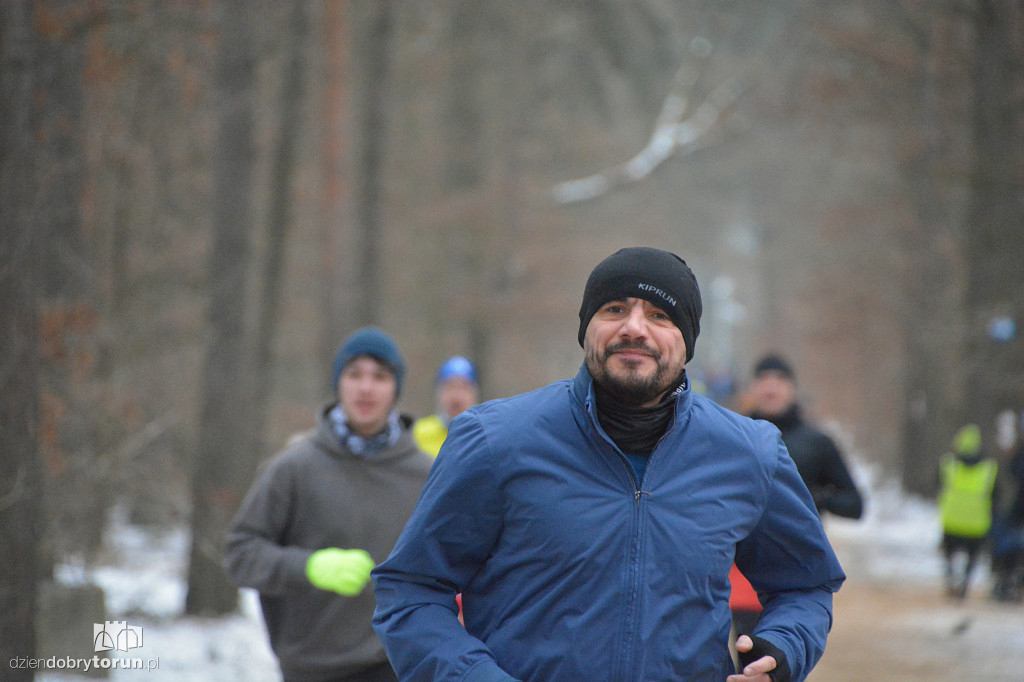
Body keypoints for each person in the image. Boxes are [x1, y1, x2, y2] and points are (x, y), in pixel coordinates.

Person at [372, 247, 846, 682]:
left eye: (660, 315)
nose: (634, 328)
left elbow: (805, 586)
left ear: (687, 342)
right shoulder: (494, 440)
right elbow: (411, 592)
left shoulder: (749, 452)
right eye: (615, 309)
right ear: (587, 329)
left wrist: (783, 647)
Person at [223, 327, 434, 682]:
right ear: (338, 383)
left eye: (380, 376)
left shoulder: (427, 475)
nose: (366, 388)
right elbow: (240, 555)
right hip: (311, 667)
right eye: (354, 374)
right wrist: (309, 567)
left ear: (396, 388)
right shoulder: (292, 468)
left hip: (399, 664)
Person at [746, 354, 864, 521]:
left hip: (798, 536)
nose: (771, 389)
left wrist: (815, 498)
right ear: (753, 388)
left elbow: (854, 505)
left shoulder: (817, 443)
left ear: (792, 389)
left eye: (779, 380)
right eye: (763, 380)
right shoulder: (737, 439)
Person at [937, 423, 997, 600]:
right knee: (973, 555)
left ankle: (951, 575)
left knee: (949, 552)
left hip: (951, 521)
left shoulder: (949, 465)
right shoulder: (988, 469)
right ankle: (965, 580)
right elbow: (996, 495)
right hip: (977, 523)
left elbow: (937, 485)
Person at [413, 355, 481, 457]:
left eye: (464, 388)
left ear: (475, 394)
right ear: (438, 393)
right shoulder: (418, 434)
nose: (457, 396)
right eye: (450, 388)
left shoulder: (484, 436)